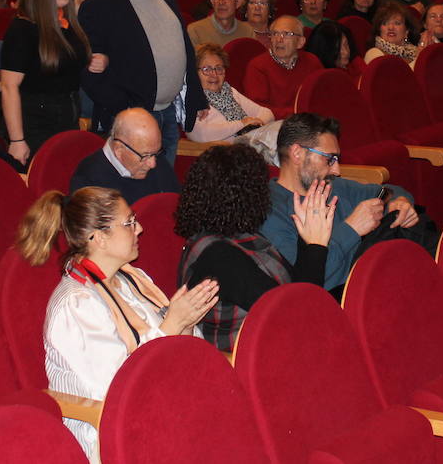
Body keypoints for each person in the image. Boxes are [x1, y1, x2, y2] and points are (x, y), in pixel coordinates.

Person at [20, 186, 218, 460]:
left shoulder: (132, 278)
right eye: (129, 223)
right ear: (99, 238)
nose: (139, 229)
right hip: (107, 433)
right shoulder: (76, 305)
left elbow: (175, 352)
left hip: (165, 407)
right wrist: (172, 324)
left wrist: (185, 323)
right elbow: (118, 390)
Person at [176, 144, 334, 350]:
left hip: (276, 342)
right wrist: (316, 246)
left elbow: (295, 294)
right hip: (247, 361)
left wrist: (306, 240)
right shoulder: (218, 257)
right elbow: (298, 316)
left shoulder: (240, 234)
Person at [78, 0, 207, 168]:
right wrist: (125, 109)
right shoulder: (99, 7)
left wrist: (195, 95)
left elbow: (184, 45)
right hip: (132, 118)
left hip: (169, 110)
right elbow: (90, 71)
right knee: (135, 186)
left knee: (164, 182)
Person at [260, 113, 417, 293]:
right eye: (329, 159)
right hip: (338, 302)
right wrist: (352, 229)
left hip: (382, 282)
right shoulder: (270, 211)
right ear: (297, 153)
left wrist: (400, 202)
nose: (336, 170)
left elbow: (387, 191)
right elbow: (309, 282)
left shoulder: (334, 186)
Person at [1, 0, 103, 165]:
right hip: (37, 124)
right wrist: (17, 140)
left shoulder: (66, 21)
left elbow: (68, 61)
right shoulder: (22, 29)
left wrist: (95, 60)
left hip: (68, 116)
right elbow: (9, 87)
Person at [69, 108, 181, 202]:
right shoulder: (89, 183)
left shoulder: (151, 153)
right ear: (119, 150)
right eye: (145, 156)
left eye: (155, 154)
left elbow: (175, 201)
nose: (152, 164)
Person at [189, 44, 275, 144]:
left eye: (219, 68)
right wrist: (242, 124)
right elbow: (200, 134)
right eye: (206, 69)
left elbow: (267, 113)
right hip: (222, 154)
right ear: (195, 73)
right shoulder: (193, 99)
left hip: (249, 147)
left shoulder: (229, 91)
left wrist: (255, 125)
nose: (214, 74)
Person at [245, 15, 322, 118]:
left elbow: (323, 94)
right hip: (274, 124)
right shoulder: (258, 66)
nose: (279, 39)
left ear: (300, 42)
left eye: (286, 34)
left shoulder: (312, 62)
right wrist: (296, 113)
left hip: (309, 120)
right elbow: (257, 108)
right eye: (275, 34)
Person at [187, 0, 253, 49]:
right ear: (212, 1)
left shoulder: (248, 31)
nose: (221, 2)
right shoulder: (195, 31)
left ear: (238, 2)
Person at [365, 0, 420, 66]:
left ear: (406, 31)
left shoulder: (416, 52)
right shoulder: (373, 53)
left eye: (397, 23)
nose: (391, 27)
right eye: (385, 23)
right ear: (379, 29)